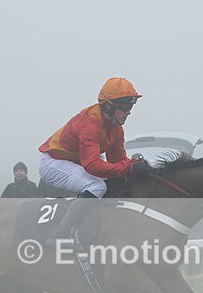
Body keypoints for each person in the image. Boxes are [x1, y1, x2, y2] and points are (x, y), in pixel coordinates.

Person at [38, 77, 152, 247]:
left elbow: (117, 161)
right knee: (96, 186)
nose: (129, 112)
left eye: (131, 107)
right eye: (126, 107)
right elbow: (92, 165)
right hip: (54, 163)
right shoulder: (90, 123)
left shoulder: (116, 128)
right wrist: (128, 168)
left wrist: (134, 164)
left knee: (115, 181)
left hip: (74, 163)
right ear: (108, 106)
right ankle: (59, 235)